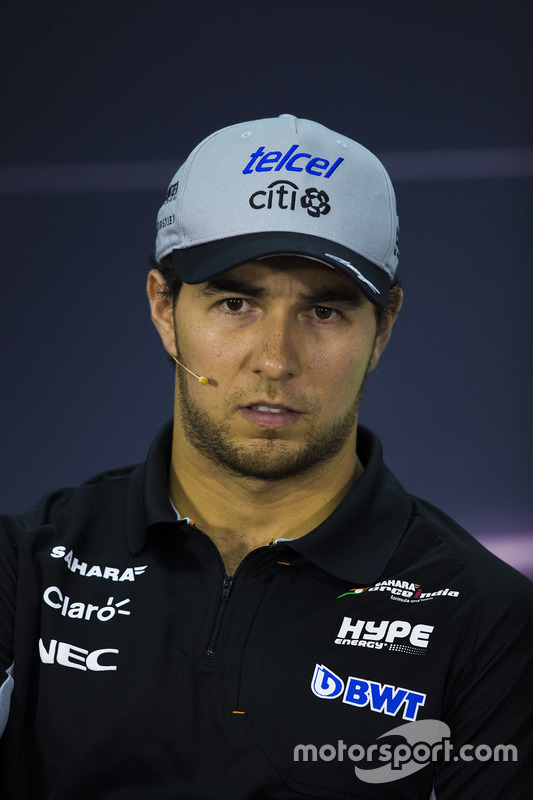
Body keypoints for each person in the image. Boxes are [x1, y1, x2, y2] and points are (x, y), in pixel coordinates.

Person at [0, 114, 531, 799]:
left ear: (383, 328)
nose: (276, 360)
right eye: (235, 303)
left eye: (325, 312)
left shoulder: (488, 621)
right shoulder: (24, 568)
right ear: (165, 307)